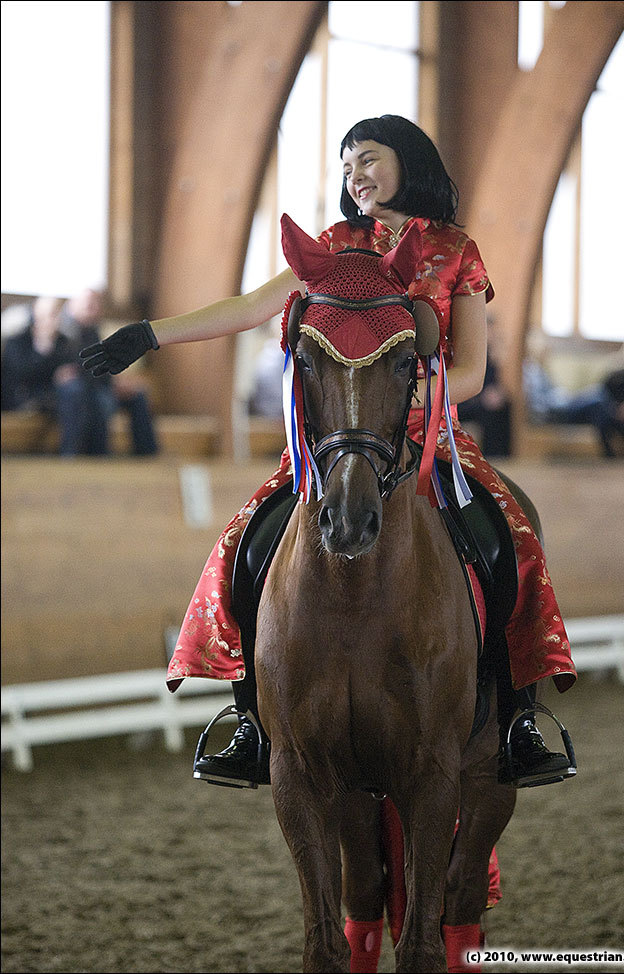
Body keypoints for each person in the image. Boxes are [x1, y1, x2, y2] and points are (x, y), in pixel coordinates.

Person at [80, 114, 577, 788]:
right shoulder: (334, 247)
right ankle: (253, 717)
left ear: (408, 160)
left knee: (512, 538)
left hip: (427, 435)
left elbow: (472, 374)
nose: (355, 176)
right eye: (346, 167)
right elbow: (252, 305)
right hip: (335, 441)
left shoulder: (455, 249)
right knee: (246, 542)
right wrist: (148, 334)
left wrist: (412, 403)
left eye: (367, 159)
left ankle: (517, 716)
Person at [61, 289, 158, 457]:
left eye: (96, 304)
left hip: (100, 385)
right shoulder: (65, 333)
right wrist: (112, 384)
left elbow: (100, 364)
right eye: (88, 304)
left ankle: (147, 455)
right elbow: (75, 369)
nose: (92, 308)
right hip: (79, 391)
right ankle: (99, 456)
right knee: (100, 399)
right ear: (72, 306)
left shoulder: (92, 331)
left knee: (137, 395)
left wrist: (116, 383)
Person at [1, 295, 102, 455]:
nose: (49, 320)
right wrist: (44, 349)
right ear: (34, 315)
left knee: (82, 391)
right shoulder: (18, 341)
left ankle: (75, 454)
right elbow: (18, 374)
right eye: (45, 315)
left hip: (55, 396)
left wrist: (67, 373)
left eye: (54, 314)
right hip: (24, 396)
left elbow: (77, 368)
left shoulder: (65, 342)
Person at [457, 318, 512, 458]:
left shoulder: (491, 353)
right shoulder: (473, 351)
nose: (492, 333)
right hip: (466, 400)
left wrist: (498, 394)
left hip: (481, 397)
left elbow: (493, 383)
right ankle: (491, 454)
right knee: (488, 410)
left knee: (506, 406)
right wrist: (483, 397)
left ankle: (504, 454)